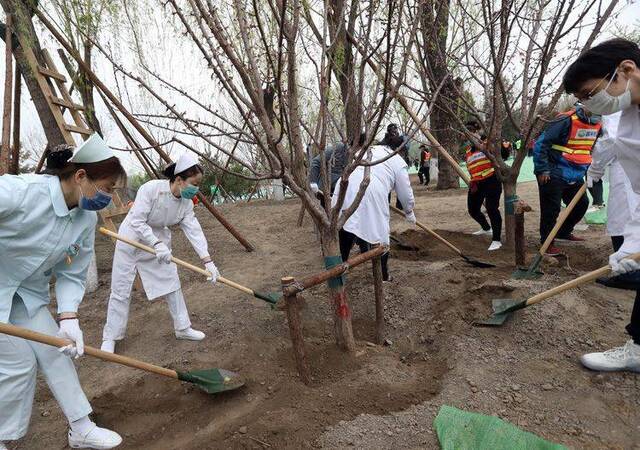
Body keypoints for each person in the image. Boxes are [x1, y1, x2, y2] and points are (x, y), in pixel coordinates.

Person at [0, 134, 126, 449]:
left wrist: (68, 316)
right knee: (18, 363)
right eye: (107, 188)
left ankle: (81, 428)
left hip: (24, 293)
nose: (108, 197)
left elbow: (72, 270)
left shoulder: (83, 218)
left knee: (57, 350)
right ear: (80, 176)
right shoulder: (22, 192)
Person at [563, 38, 640, 372]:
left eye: (590, 93)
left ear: (626, 70)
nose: (589, 104)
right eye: (582, 99)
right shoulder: (629, 117)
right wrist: (634, 244)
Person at [101, 152, 219, 354]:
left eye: (198, 185)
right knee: (121, 288)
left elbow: (193, 230)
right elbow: (137, 220)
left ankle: (183, 328)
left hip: (159, 240)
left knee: (172, 281)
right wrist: (155, 243)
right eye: (193, 183)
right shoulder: (151, 189)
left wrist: (207, 260)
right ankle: (110, 337)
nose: (196, 189)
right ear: (179, 180)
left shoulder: (186, 203)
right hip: (132, 237)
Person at [332, 135, 416, 282]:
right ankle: (383, 276)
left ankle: (338, 275)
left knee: (344, 227)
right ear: (401, 150)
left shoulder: (368, 149)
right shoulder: (396, 159)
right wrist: (409, 211)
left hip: (344, 185)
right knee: (380, 233)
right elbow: (405, 191)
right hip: (370, 189)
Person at [533, 103, 601, 256]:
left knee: (581, 204)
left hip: (576, 174)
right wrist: (543, 169)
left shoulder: (598, 124)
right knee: (551, 209)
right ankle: (547, 242)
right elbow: (541, 144)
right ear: (585, 104)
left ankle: (563, 231)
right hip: (553, 171)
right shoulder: (566, 120)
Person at [463, 133, 503, 251]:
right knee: (473, 210)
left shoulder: (487, 146)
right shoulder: (468, 152)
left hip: (491, 180)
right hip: (476, 183)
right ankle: (486, 228)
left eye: (473, 132)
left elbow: (502, 154)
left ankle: (496, 240)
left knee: (492, 208)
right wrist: (473, 181)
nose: (470, 135)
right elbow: (471, 167)